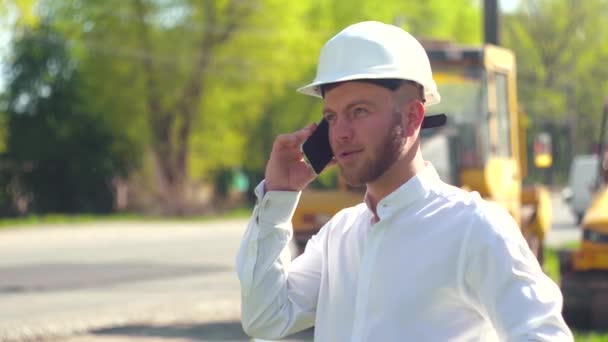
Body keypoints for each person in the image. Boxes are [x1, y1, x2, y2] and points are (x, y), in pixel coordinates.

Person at [236, 21, 573, 341]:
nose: (340, 133)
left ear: (412, 117)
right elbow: (266, 317)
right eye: (331, 116)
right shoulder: (339, 236)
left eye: (359, 111)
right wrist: (278, 197)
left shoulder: (475, 229)